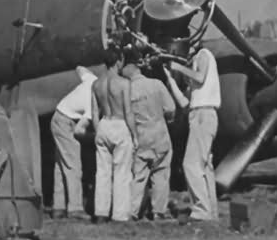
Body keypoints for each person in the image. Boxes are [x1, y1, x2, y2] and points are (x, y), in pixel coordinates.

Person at [168, 42, 222, 223]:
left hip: (202, 115)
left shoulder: (203, 54)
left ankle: (201, 210)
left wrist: (179, 68)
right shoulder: (199, 85)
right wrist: (170, 80)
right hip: (201, 115)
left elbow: (199, 77)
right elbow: (185, 103)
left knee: (191, 164)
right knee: (205, 167)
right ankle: (211, 211)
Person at [122, 59, 176, 221]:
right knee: (161, 173)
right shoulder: (157, 84)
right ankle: (158, 211)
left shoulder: (127, 90)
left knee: (138, 176)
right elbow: (171, 108)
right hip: (160, 133)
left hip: (140, 136)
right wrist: (168, 118)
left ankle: (132, 211)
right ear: (139, 70)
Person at [89, 50, 136, 223]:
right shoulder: (124, 83)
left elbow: (94, 112)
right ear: (118, 61)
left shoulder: (96, 84)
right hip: (119, 124)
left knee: (102, 172)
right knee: (122, 172)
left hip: (104, 124)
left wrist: (98, 131)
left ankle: (101, 212)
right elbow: (128, 112)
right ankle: (119, 214)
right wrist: (135, 135)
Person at [49, 67, 98, 219]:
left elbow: (80, 69)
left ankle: (59, 207)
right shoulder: (92, 105)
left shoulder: (92, 80)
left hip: (58, 117)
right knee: (74, 165)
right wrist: (95, 137)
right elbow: (78, 131)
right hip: (66, 123)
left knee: (61, 165)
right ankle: (75, 208)